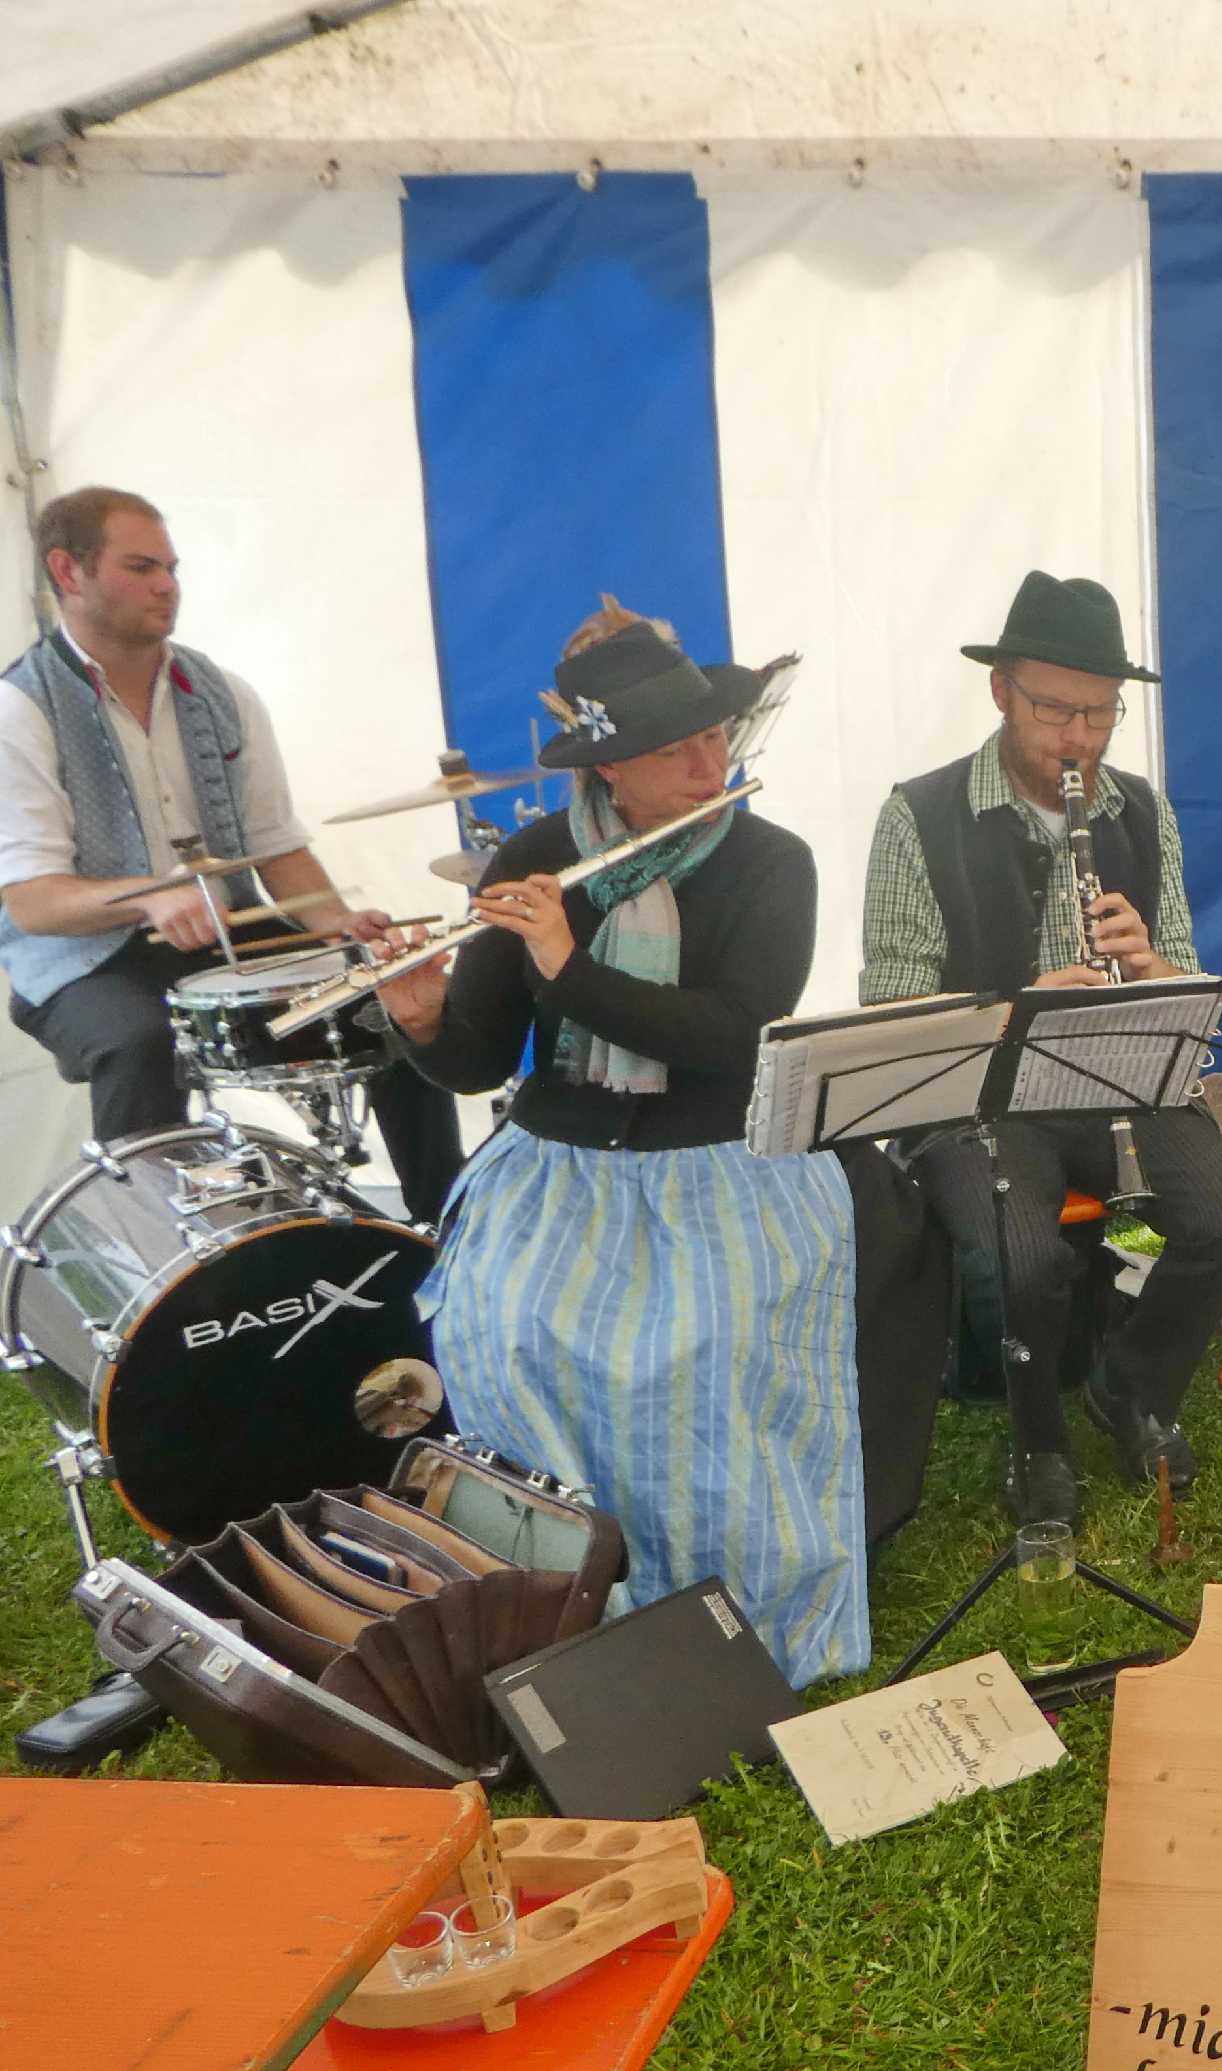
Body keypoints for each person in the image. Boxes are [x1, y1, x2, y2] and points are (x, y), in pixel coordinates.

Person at [368, 603, 867, 1687]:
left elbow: (735, 1039)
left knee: (693, 1353)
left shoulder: (770, 862)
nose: (710, 762)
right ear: (611, 768)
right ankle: (564, 1610)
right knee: (499, 1328)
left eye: (715, 735)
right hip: (559, 1163)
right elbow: (480, 1061)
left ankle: (727, 1616)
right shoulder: (537, 855)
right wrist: (420, 1015)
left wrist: (570, 966)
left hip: (720, 1158)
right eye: (676, 748)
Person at [861, 571, 1222, 1527]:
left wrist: (1151, 961)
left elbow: (1186, 980)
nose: (1077, 738)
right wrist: (1016, 1007)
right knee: (1020, 1255)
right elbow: (891, 1007)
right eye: (1053, 710)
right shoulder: (919, 814)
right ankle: (1037, 1441)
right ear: (1001, 690)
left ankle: (1130, 1386)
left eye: (1100, 714)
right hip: (977, 1095)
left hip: (1114, 1075)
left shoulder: (1141, 811)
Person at [0, 485, 465, 1215]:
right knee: (140, 1042)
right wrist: (148, 897)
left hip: (223, 938)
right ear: (68, 571)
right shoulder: (19, 710)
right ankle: (158, 1249)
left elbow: (277, 848)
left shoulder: (221, 693)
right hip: (82, 964)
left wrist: (335, 921)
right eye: (141, 567)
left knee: (384, 991)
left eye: (171, 568)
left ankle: (448, 1220)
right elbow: (33, 903)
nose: (167, 586)